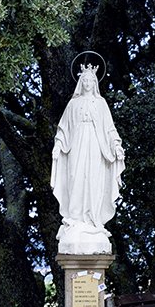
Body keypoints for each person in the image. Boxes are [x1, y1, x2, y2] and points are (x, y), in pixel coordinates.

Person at [50, 64, 125, 254]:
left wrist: (116, 146)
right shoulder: (73, 104)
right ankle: (75, 220)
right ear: (81, 82)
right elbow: (63, 128)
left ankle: (92, 221)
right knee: (75, 179)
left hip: (96, 147)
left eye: (91, 80)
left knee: (93, 181)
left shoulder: (101, 104)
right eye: (85, 80)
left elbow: (109, 128)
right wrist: (58, 145)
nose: (88, 83)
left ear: (95, 83)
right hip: (76, 146)